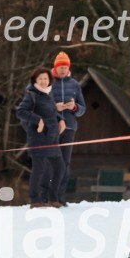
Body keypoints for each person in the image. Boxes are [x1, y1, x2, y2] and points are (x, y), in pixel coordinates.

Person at [15, 68, 64, 208]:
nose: (43, 81)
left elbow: (51, 111)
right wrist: (38, 120)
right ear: (35, 80)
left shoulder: (48, 94)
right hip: (38, 138)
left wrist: (60, 119)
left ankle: (53, 198)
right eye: (41, 79)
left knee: (59, 168)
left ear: (50, 80)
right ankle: (35, 200)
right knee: (39, 169)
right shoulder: (32, 95)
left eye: (46, 79)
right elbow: (20, 112)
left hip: (52, 138)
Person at [49, 52, 86, 205]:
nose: (63, 70)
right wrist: (54, 107)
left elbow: (83, 109)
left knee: (65, 163)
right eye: (60, 67)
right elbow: (41, 104)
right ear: (55, 68)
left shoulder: (75, 85)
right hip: (53, 128)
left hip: (69, 128)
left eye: (65, 67)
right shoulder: (48, 82)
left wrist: (74, 107)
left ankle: (59, 196)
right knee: (51, 162)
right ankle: (47, 195)